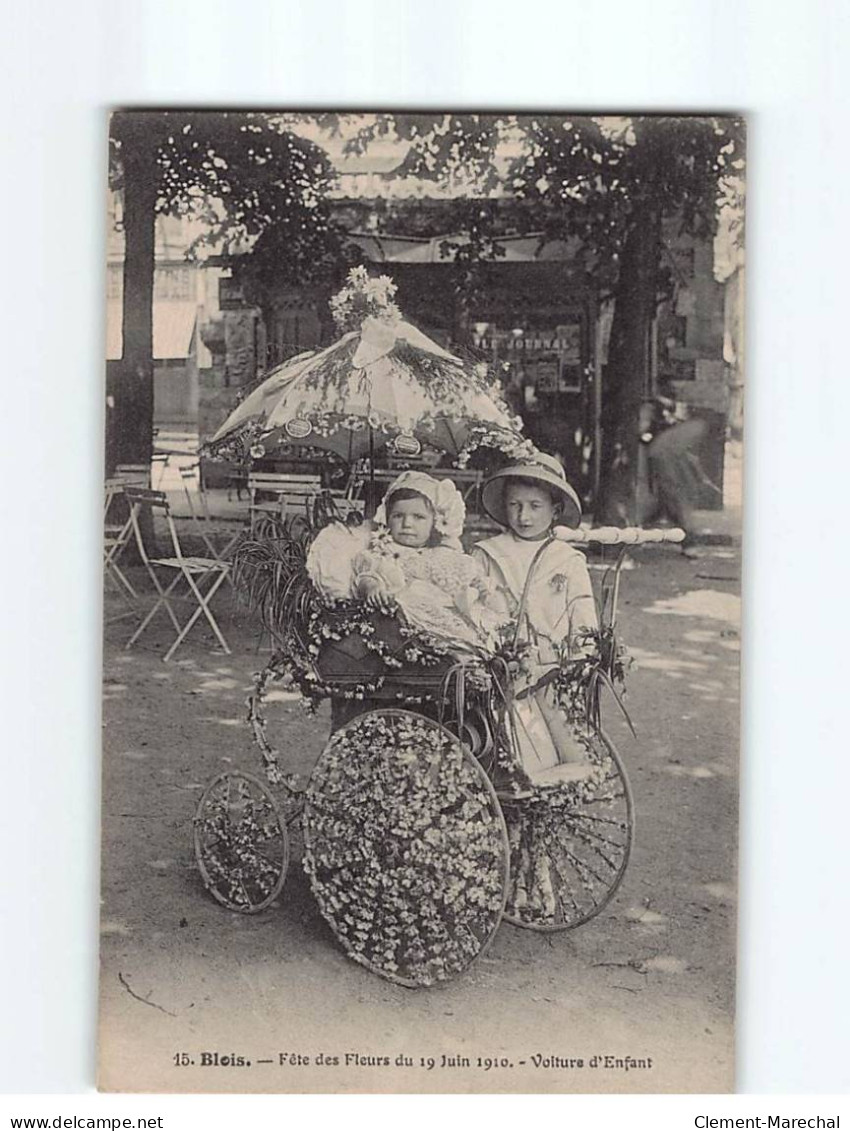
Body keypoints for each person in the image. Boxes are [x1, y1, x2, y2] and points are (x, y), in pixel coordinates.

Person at [473, 452, 599, 785]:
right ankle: (513, 772)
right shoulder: (487, 552)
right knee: (513, 723)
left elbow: (581, 608)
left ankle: (565, 770)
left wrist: (583, 654)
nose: (523, 516)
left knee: (560, 726)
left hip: (551, 663)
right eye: (515, 505)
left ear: (555, 510)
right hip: (503, 663)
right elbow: (472, 605)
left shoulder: (567, 558)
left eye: (534, 506)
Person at [306, 471, 507, 651]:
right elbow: (367, 574)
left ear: (435, 524)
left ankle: (472, 651)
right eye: (398, 516)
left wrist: (478, 587)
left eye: (418, 517)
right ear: (387, 518)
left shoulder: (443, 554)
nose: (407, 524)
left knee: (478, 625)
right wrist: (373, 588)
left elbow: (464, 580)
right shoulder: (382, 551)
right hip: (406, 619)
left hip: (448, 612)